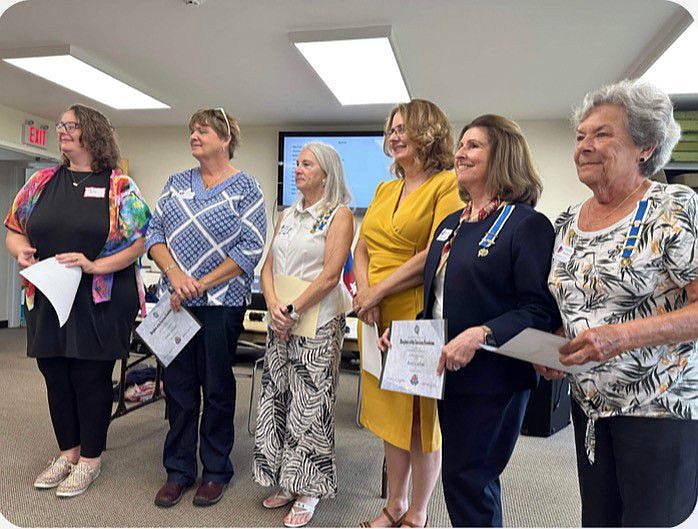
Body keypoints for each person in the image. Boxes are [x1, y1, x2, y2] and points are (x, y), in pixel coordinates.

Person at [381, 114, 561, 527]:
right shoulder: (451, 225)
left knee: (471, 480)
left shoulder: (527, 225)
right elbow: (439, 299)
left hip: (495, 378)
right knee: (460, 479)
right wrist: (407, 335)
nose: (460, 153)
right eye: (461, 145)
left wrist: (481, 334)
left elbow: (538, 308)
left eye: (474, 145)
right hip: (450, 373)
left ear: (503, 156)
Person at [542, 80, 698, 527]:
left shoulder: (673, 206)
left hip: (658, 405)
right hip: (590, 404)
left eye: (601, 134)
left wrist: (622, 336)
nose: (584, 146)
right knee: (600, 520)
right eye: (580, 136)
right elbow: (576, 304)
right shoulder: (569, 220)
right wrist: (555, 345)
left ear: (645, 146)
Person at [4, 104, 151, 497]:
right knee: (55, 373)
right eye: (61, 126)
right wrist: (20, 251)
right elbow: (14, 230)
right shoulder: (40, 182)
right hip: (49, 295)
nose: (62, 131)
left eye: (71, 126)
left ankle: (90, 459)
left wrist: (94, 265)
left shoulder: (119, 185)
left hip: (100, 297)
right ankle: (67, 452)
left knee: (90, 377)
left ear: (92, 133)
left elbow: (141, 242)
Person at [146, 108, 266, 508]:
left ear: (225, 138)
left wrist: (201, 282)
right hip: (176, 302)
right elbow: (154, 232)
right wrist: (175, 273)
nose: (194, 135)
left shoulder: (246, 188)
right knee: (178, 388)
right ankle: (178, 470)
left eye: (203, 130)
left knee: (216, 387)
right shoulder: (176, 183)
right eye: (192, 130)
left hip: (221, 303)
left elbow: (250, 248)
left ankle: (215, 469)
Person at [353, 99, 463, 528]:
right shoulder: (384, 189)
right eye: (392, 129)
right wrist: (365, 293)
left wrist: (377, 289)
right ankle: (393, 504)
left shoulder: (446, 183)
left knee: (420, 420)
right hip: (373, 313)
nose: (395, 135)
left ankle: (417, 512)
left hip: (416, 312)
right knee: (387, 414)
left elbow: (436, 254)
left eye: (405, 128)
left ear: (430, 132)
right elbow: (361, 247)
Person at [253, 142, 354, 528]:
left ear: (326, 173)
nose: (297, 169)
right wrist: (275, 304)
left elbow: (331, 274)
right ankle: (284, 478)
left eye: (306, 164)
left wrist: (294, 309)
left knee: (309, 405)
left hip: (317, 321)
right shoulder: (287, 214)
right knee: (277, 398)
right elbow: (268, 266)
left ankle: (308, 487)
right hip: (281, 320)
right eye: (296, 163)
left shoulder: (338, 215)